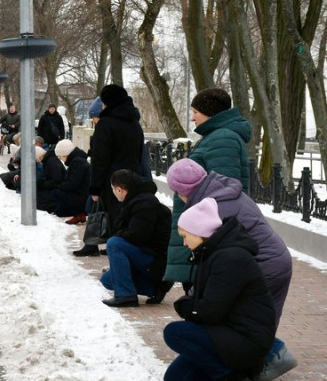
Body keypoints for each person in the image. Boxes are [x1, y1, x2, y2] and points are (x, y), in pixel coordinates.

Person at [167, 159, 297, 379]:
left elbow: (212, 307)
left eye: (178, 192)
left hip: (264, 262)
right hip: (273, 257)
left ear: (185, 190)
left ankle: (257, 363)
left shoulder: (214, 208)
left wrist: (191, 302)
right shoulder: (221, 189)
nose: (179, 198)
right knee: (249, 317)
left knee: (242, 317)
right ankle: (257, 360)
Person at [164, 198, 276, 381]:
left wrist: (184, 305)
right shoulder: (213, 254)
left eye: (185, 236)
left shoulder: (230, 258)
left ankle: (231, 376)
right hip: (226, 332)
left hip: (246, 340)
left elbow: (209, 312)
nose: (184, 243)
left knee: (174, 332)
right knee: (175, 377)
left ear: (199, 232)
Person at [165, 88, 252, 284]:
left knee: (205, 287)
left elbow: (225, 191)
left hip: (207, 231)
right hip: (201, 227)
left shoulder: (223, 138)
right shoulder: (216, 136)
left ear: (210, 112)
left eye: (195, 112)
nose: (193, 118)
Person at [76, 85, 144, 257]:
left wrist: (95, 188)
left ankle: (115, 258)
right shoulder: (135, 123)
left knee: (112, 217)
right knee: (126, 218)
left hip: (112, 179)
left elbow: (100, 159)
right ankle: (117, 252)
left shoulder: (106, 124)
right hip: (133, 177)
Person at [100, 170, 172, 307]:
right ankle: (154, 288)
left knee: (114, 244)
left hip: (156, 260)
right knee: (107, 280)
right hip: (145, 254)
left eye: (113, 189)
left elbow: (136, 235)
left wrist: (119, 234)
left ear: (120, 190)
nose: (113, 193)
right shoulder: (136, 200)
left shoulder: (145, 204)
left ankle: (126, 296)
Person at [51, 140, 91, 224]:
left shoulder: (77, 162)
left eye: (60, 156)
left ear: (66, 154)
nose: (60, 158)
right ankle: (79, 213)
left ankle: (79, 214)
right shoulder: (77, 161)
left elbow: (72, 184)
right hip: (81, 195)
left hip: (82, 197)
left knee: (55, 192)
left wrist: (59, 186)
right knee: (59, 212)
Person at [36, 142, 67, 212]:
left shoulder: (51, 161)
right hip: (57, 187)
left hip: (59, 188)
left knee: (40, 200)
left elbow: (57, 180)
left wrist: (44, 184)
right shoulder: (49, 160)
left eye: (36, 158)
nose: (36, 161)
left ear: (40, 156)